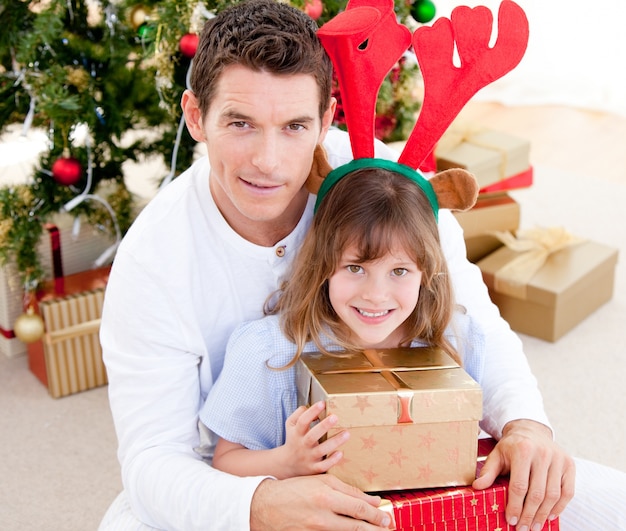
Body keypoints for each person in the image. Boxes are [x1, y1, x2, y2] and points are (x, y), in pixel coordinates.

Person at [98, 0, 626, 530]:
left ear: (327, 117)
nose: (269, 160)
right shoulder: (152, 263)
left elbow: (475, 322)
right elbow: (152, 460)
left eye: (295, 126)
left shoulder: (389, 187)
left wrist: (526, 425)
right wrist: (261, 503)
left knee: (598, 500)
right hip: (242, 484)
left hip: (412, 458)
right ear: (196, 116)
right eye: (240, 123)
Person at [201, 160, 486, 480]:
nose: (376, 295)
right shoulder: (270, 352)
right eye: (355, 268)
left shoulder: (457, 339)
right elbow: (226, 461)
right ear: (324, 263)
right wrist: (287, 462)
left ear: (426, 273)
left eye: (399, 271)